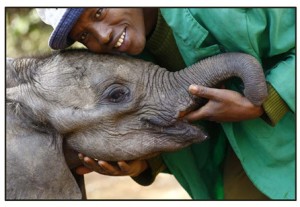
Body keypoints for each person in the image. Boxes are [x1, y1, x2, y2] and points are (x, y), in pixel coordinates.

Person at [36, 8, 295, 199]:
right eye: (84, 34)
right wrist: (146, 164)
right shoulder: (124, 63)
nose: (101, 36)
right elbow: (179, 124)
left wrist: (268, 101)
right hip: (236, 168)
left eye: (99, 12)